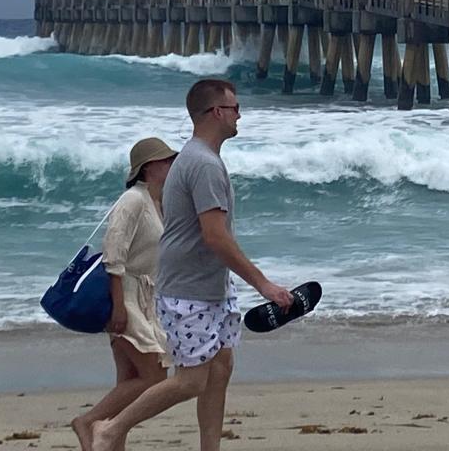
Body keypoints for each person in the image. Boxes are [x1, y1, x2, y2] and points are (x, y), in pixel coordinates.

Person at [91, 80, 293, 451]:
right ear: (216, 113)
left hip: (213, 286)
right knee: (191, 380)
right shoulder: (201, 163)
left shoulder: (201, 159)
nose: (239, 115)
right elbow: (214, 236)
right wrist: (264, 285)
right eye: (235, 109)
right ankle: (110, 429)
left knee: (220, 369)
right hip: (188, 291)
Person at [71, 138, 178, 451]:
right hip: (126, 296)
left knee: (129, 379)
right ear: (148, 168)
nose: (172, 165)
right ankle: (89, 421)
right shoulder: (132, 200)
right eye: (166, 160)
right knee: (154, 378)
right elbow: (113, 257)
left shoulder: (157, 201)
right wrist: (119, 307)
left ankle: (112, 440)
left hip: (146, 298)